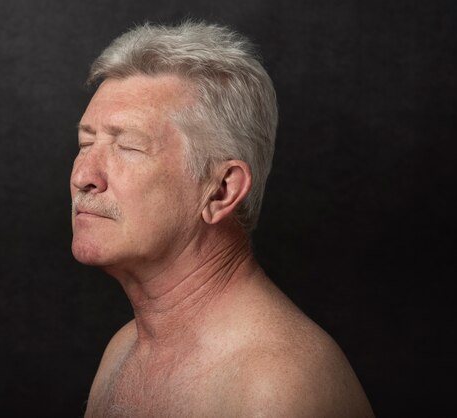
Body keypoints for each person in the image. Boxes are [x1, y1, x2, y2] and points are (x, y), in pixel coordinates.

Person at [70, 20, 374, 417]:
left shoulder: (277, 388)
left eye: (127, 146)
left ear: (220, 191)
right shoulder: (124, 349)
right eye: (85, 143)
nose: (83, 177)